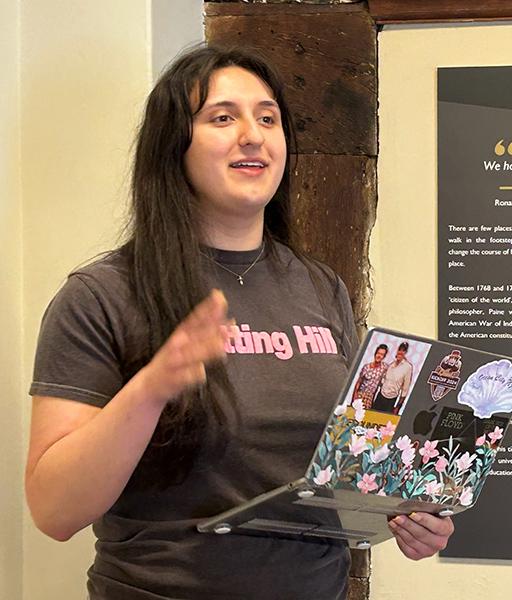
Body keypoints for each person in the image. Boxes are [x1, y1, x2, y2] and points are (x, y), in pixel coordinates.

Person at [25, 45, 452, 600]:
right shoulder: (102, 295)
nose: (253, 134)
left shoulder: (321, 287)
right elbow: (54, 510)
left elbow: (347, 469)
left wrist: (406, 513)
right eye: (222, 117)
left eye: (268, 117)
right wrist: (151, 388)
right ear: (172, 146)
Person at [371, 341, 413, 414]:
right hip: (380, 397)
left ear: (405, 352)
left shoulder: (408, 367)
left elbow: (405, 390)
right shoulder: (391, 365)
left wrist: (397, 407)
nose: (401, 352)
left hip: (390, 401)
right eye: (400, 349)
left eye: (403, 350)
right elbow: (382, 382)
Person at [352, 343, 390, 409]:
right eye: (378, 353)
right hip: (361, 394)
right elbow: (358, 383)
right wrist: (354, 397)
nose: (379, 356)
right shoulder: (366, 367)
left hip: (370, 396)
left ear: (384, 357)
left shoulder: (384, 367)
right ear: (375, 353)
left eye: (382, 354)